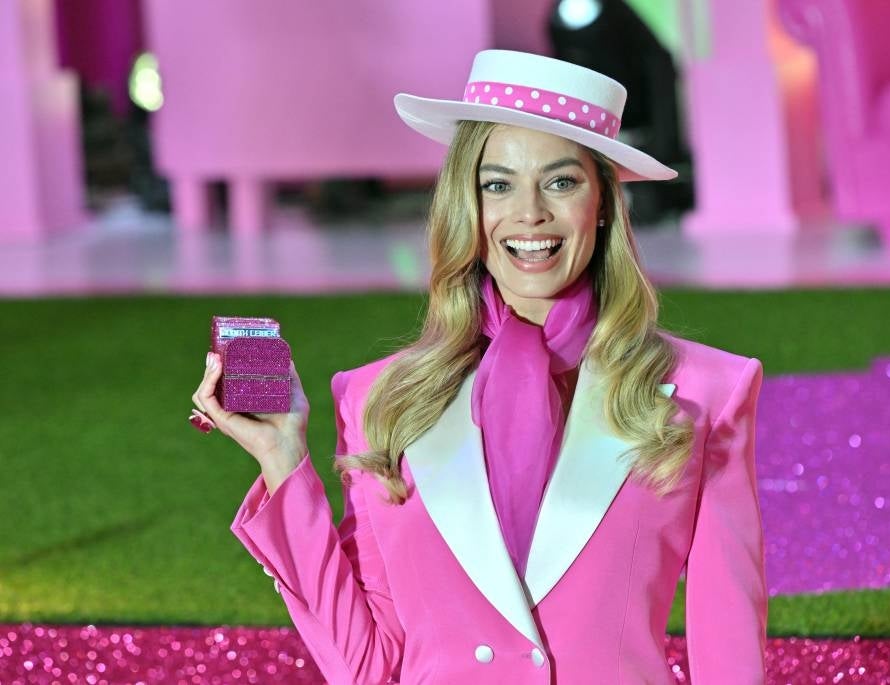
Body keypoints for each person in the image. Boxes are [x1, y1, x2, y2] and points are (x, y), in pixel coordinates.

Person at [190, 49, 767, 685]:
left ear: (603, 203)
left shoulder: (707, 392)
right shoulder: (381, 399)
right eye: (498, 183)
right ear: (466, 202)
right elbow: (368, 668)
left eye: (561, 181)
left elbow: (728, 645)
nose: (529, 213)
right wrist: (283, 463)